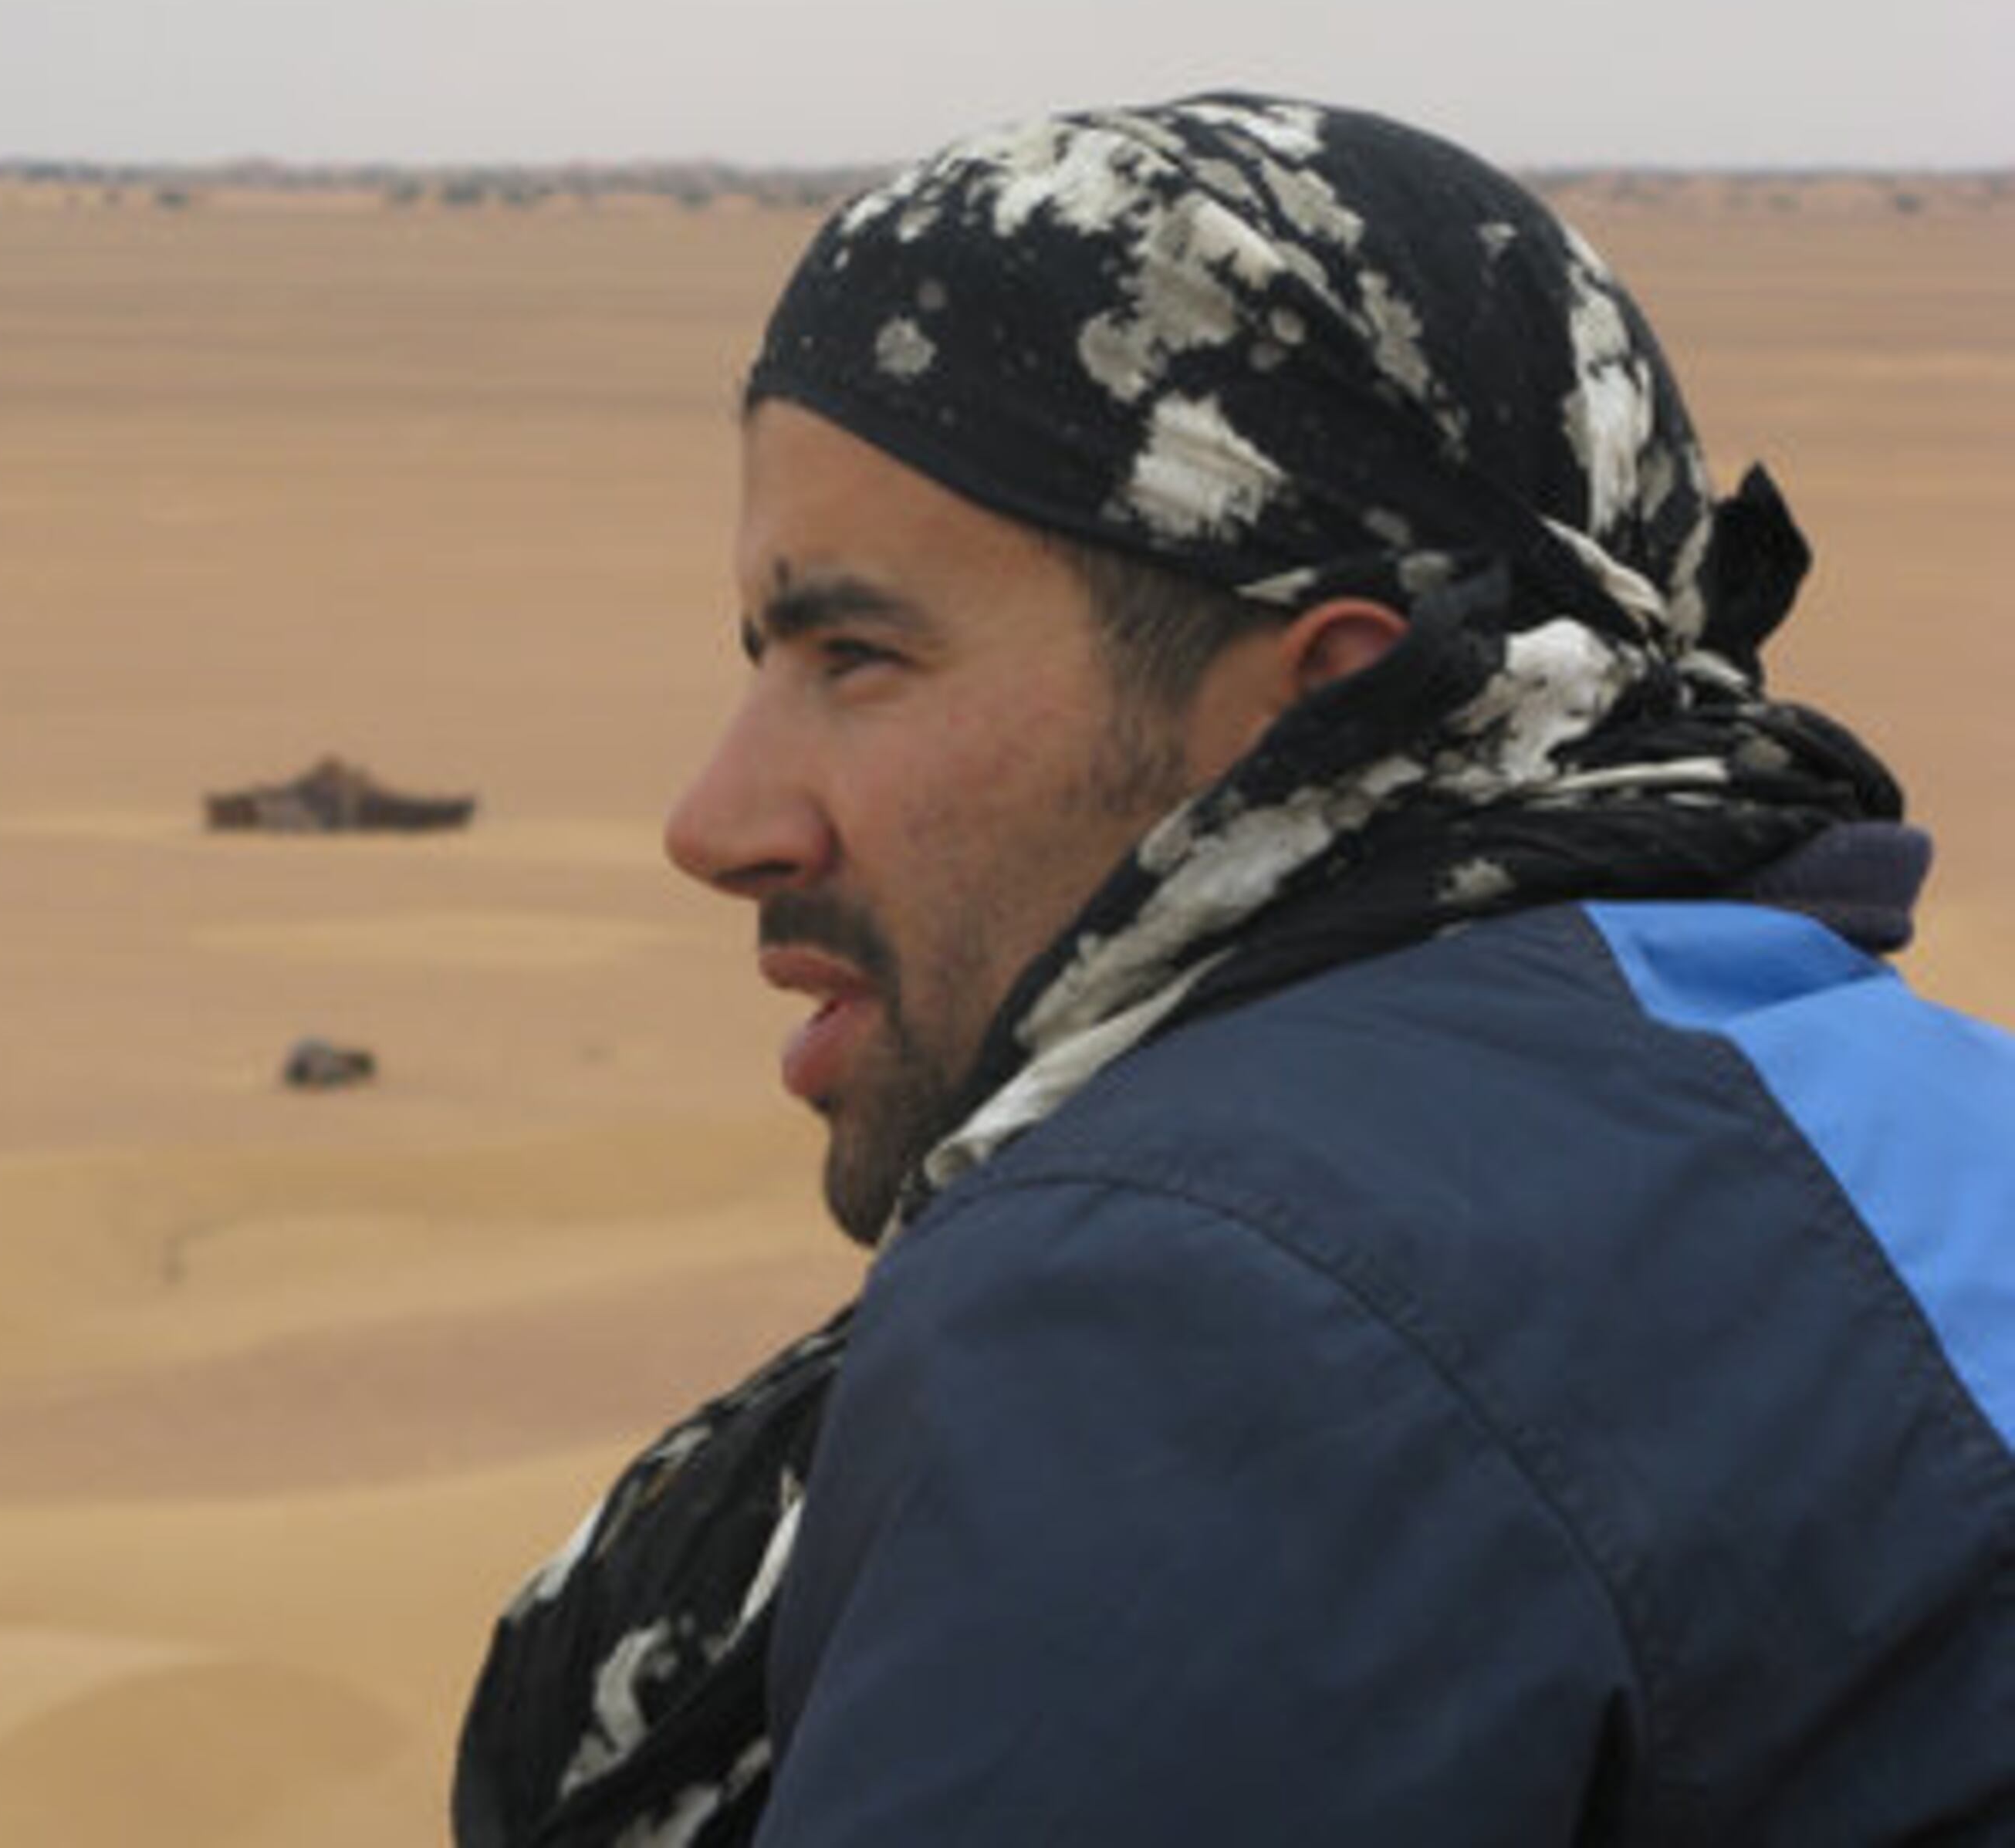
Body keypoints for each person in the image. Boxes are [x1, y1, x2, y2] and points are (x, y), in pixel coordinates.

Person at [452, 93, 2015, 1844]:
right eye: (763, 656)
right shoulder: (1945, 1124)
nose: (717, 820)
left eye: (859, 654)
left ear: (1327, 701)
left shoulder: (1194, 1305)